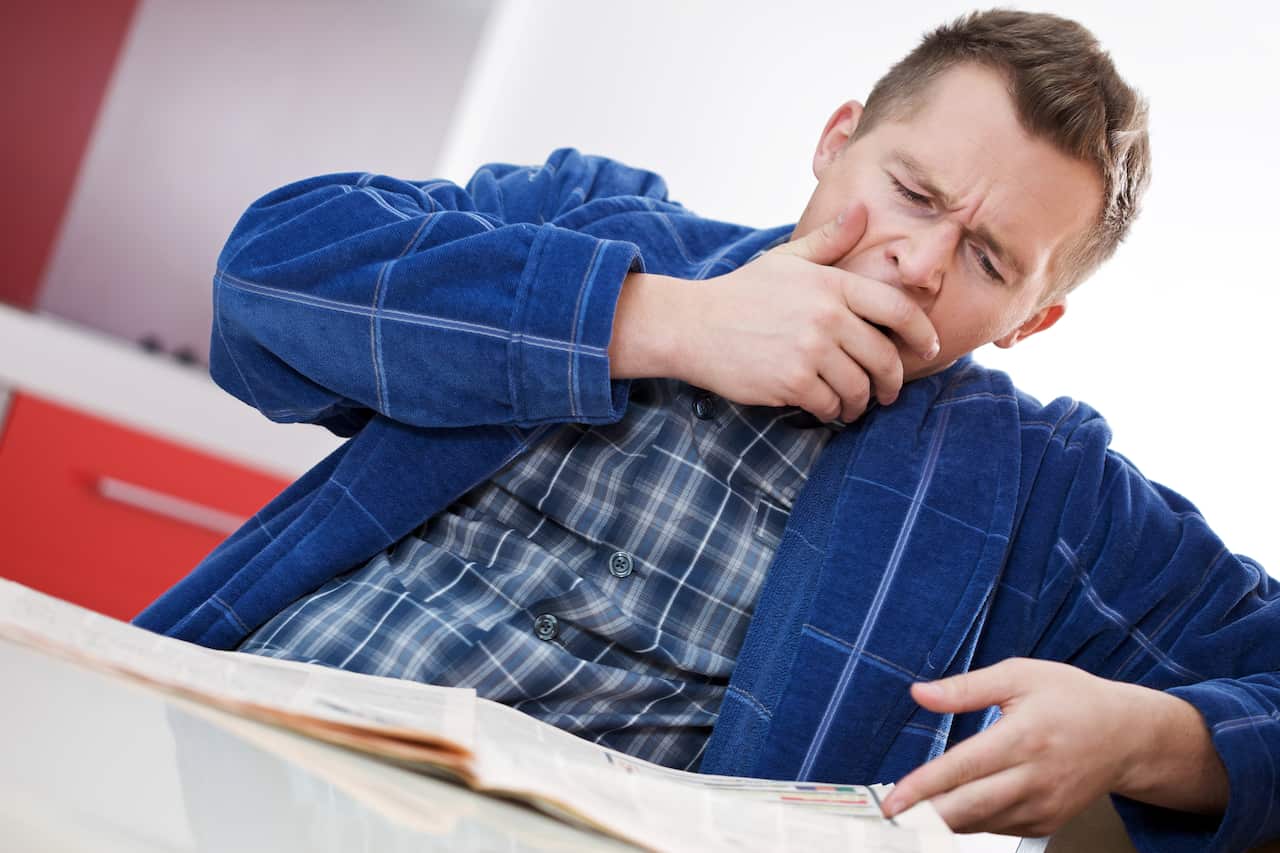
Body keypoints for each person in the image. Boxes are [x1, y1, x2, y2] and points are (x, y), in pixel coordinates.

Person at [135, 9, 1279, 851]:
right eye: (913, 193)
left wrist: (1147, 738)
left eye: (985, 262)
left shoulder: (1043, 489)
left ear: (1032, 318)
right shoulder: (596, 216)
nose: (918, 263)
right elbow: (268, 274)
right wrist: (656, 320)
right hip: (219, 761)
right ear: (836, 140)